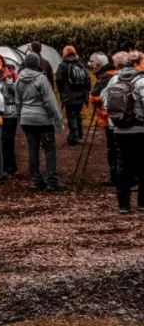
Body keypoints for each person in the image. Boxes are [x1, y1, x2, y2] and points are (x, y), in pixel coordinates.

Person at [17, 52, 66, 191]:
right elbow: (50, 101)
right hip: (43, 120)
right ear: (37, 63)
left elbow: (17, 102)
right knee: (49, 150)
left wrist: (21, 119)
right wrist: (58, 121)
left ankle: (36, 180)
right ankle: (52, 181)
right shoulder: (41, 78)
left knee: (33, 149)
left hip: (27, 119)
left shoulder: (19, 79)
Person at [103, 50, 144, 213]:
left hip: (120, 129)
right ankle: (142, 203)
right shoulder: (141, 80)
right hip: (140, 129)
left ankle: (123, 204)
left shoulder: (114, 79)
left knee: (123, 165)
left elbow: (106, 103)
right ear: (134, 64)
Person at [89, 52, 118, 186]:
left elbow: (96, 97)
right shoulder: (115, 73)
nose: (92, 69)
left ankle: (115, 177)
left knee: (113, 148)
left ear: (99, 66)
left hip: (109, 117)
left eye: (93, 66)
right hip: (117, 116)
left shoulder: (105, 78)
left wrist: (92, 97)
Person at [0, 54, 20, 176]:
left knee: (8, 140)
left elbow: (17, 92)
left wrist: (9, 83)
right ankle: (5, 167)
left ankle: (10, 168)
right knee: (0, 140)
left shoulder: (12, 74)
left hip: (10, 112)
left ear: (2, 62)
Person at [55, 45, 90, 146]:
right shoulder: (80, 64)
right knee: (78, 115)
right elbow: (87, 78)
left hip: (69, 96)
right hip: (81, 95)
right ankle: (79, 136)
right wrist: (86, 92)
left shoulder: (63, 65)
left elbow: (58, 80)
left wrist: (62, 92)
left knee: (71, 116)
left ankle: (73, 138)